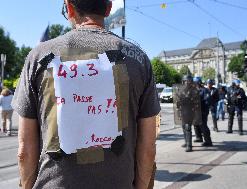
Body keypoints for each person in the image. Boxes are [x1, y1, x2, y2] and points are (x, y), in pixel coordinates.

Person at [12, 0, 161, 188]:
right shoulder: (138, 60)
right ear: (108, 9)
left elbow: (25, 151)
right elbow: (148, 149)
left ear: (69, 7)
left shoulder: (38, 56)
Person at [193, 77, 213, 146]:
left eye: (195, 83)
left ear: (198, 82)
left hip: (203, 111)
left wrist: (200, 103)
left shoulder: (204, 90)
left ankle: (208, 141)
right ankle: (199, 137)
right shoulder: (194, 90)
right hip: (196, 111)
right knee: (195, 124)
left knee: (203, 125)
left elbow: (208, 100)